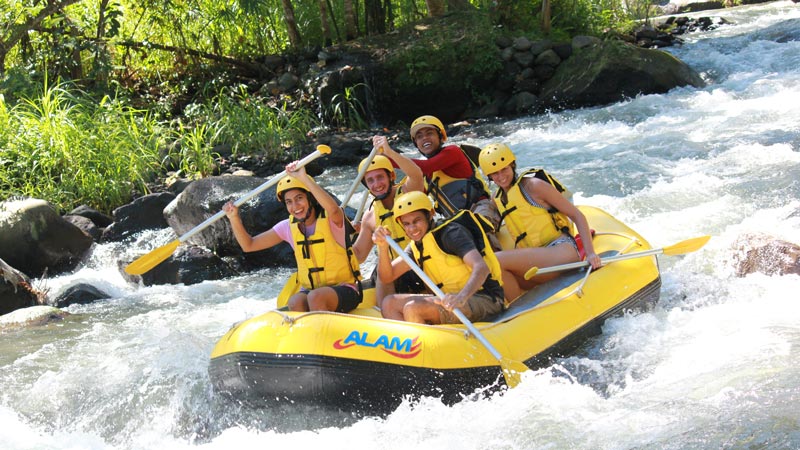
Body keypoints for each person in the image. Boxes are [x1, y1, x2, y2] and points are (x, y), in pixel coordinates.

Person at [223, 161, 362, 313]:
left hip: (345, 289)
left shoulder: (332, 220)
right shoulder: (287, 227)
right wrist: (234, 217)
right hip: (311, 290)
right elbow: (248, 245)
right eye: (289, 202)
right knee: (295, 301)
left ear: (310, 198)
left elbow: (334, 209)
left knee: (316, 297)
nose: (295, 206)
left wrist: (303, 178)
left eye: (299, 198)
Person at [478, 143, 601, 301]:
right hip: (537, 265)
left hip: (560, 251)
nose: (501, 176)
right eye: (494, 173)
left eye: (504, 169)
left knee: (496, 260)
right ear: (489, 176)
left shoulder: (533, 186)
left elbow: (577, 215)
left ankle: (520, 310)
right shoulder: (497, 199)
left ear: (512, 165)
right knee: (493, 267)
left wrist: (591, 253)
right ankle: (523, 315)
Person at [371, 191, 505, 324]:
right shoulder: (417, 245)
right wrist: (383, 247)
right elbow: (387, 277)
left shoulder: (451, 234)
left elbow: (481, 267)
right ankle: (417, 341)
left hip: (485, 298)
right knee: (388, 304)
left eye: (417, 221)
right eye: (406, 224)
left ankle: (424, 343)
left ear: (430, 215)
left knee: (413, 308)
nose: (412, 229)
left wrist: (461, 297)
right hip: (448, 300)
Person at [352, 136, 427, 307]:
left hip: (423, 263)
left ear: (391, 176)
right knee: (382, 270)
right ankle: (386, 313)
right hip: (394, 272)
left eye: (380, 177)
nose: (376, 184)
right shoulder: (370, 217)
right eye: (370, 180)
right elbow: (359, 255)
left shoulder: (408, 192)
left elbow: (416, 173)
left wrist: (389, 152)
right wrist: (336, 232)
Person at [407, 115, 502, 246]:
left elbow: (425, 166)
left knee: (477, 228)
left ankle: (497, 259)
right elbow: (412, 199)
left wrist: (390, 156)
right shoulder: (425, 175)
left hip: (480, 208)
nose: (425, 138)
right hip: (456, 221)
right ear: (416, 144)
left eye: (430, 133)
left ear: (441, 136)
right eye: (419, 136)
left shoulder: (453, 152)